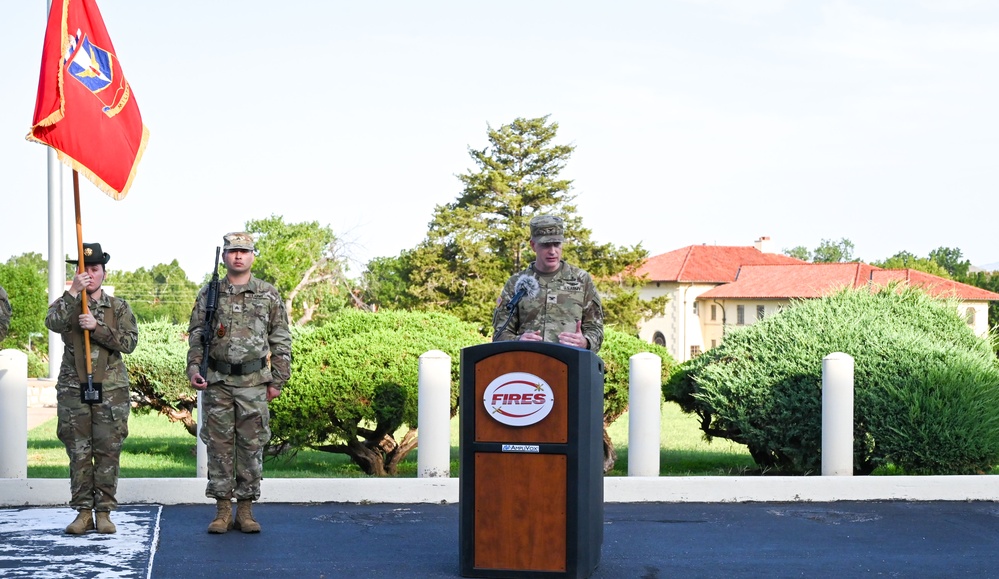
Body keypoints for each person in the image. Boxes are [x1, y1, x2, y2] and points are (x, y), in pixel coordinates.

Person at [187, 232, 292, 534]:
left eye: (244, 251)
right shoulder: (210, 293)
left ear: (252, 256)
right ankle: (222, 511)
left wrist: (278, 380)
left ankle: (245, 511)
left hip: (254, 384)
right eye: (233, 251)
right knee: (218, 448)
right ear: (224, 257)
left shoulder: (267, 293)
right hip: (217, 381)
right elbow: (196, 335)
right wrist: (195, 369)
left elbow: (281, 338)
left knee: (251, 446)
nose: (238, 256)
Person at [45, 242, 138, 535]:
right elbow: (52, 322)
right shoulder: (69, 302)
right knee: (79, 450)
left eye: (94, 269)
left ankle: (104, 512)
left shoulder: (118, 307)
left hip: (110, 390)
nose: (89, 275)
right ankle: (83, 512)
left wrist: (97, 327)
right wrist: (72, 292)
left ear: (104, 274)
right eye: (83, 270)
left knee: (108, 450)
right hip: (74, 388)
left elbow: (129, 343)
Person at [492, 214, 604, 353]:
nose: (552, 251)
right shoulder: (516, 283)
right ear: (533, 245)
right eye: (545, 245)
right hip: (528, 366)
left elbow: (596, 328)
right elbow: (499, 333)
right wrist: (518, 342)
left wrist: (585, 342)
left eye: (557, 244)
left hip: (570, 364)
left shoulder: (581, 280)